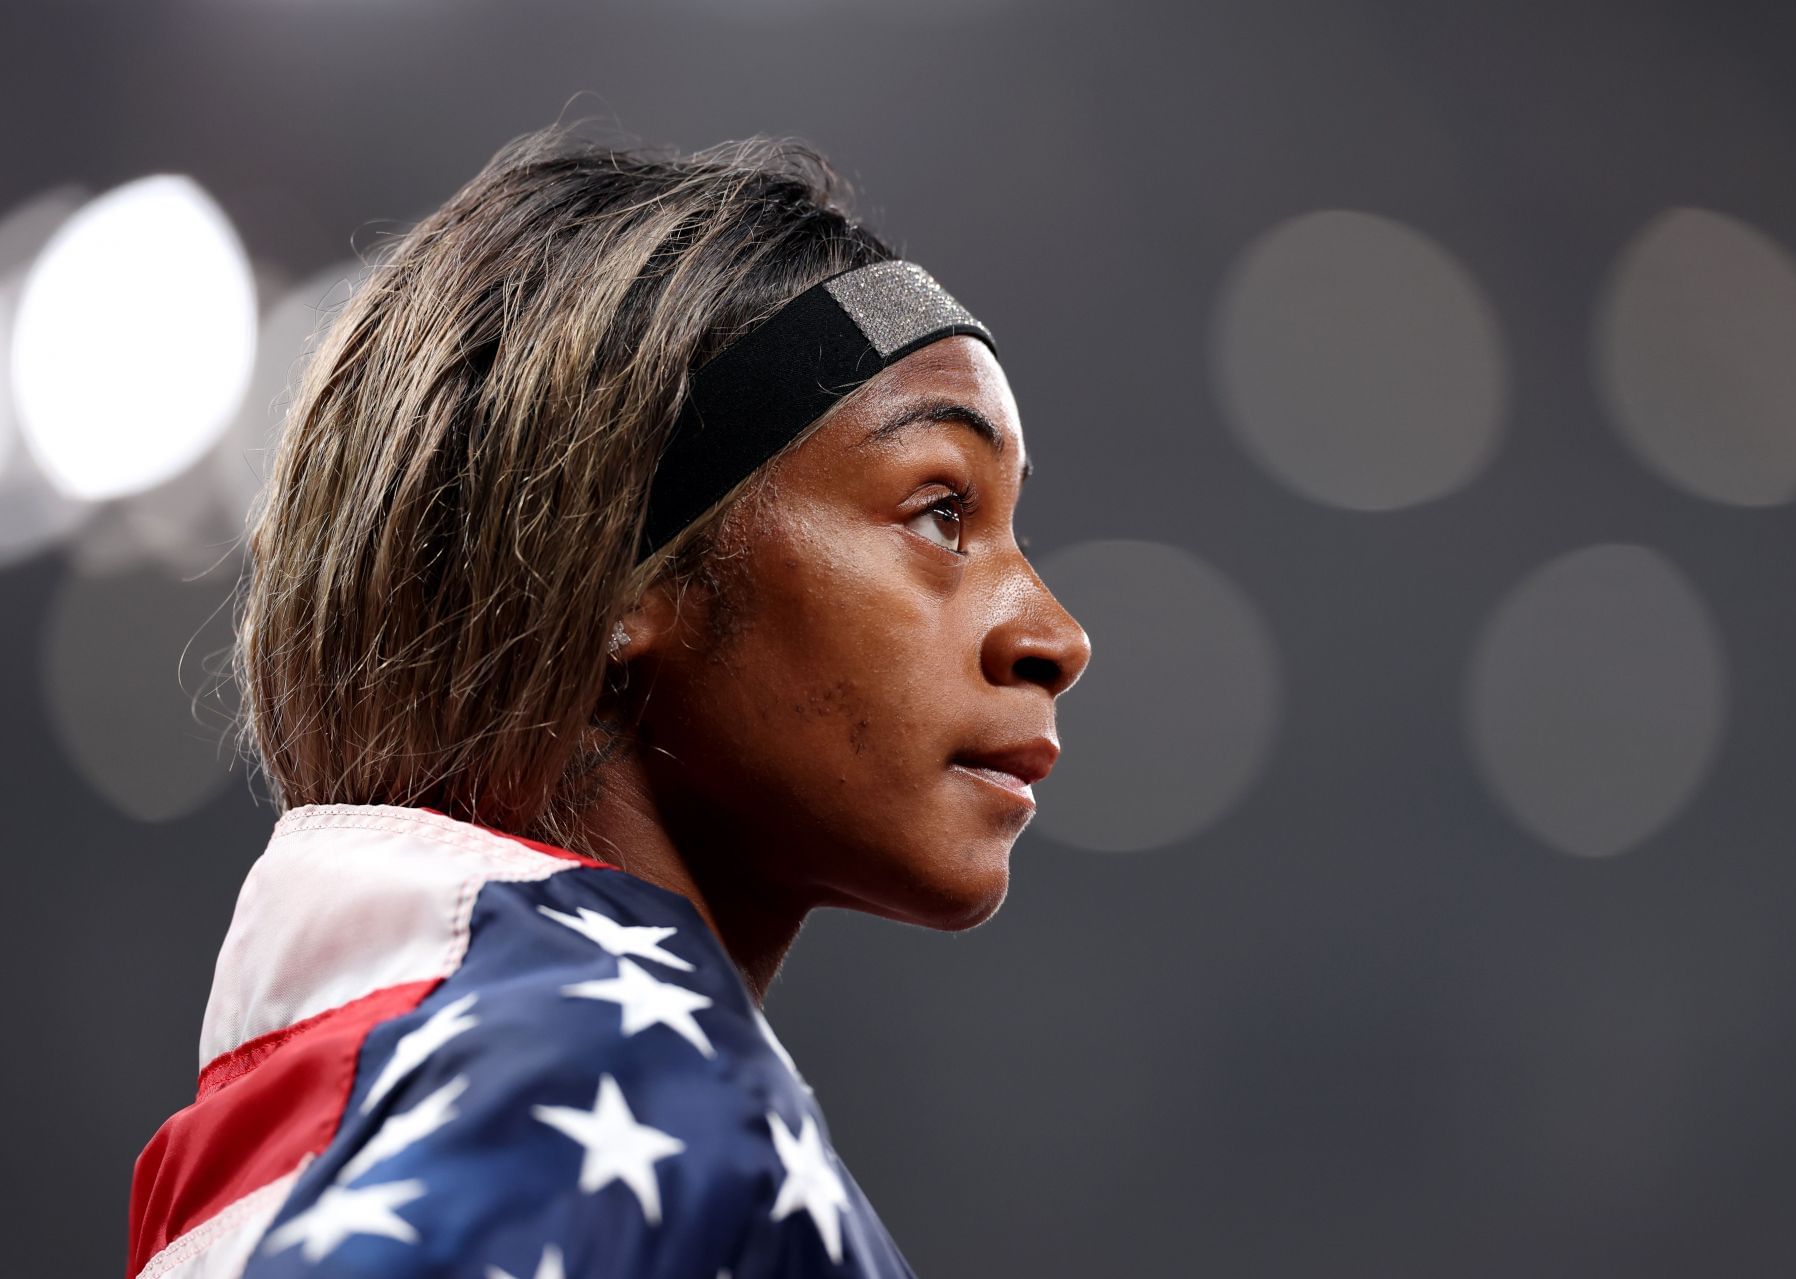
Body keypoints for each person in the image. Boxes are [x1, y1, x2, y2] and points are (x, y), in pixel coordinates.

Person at [126, 124, 1091, 1279]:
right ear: (614, 573)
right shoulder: (632, 1093)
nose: (1054, 637)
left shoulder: (375, 1091)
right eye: (941, 509)